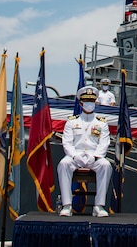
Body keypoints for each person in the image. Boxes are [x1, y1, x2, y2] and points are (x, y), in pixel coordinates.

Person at [57, 86, 112, 217]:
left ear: (95, 102)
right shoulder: (72, 122)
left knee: (106, 165)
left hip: (94, 157)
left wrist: (96, 156)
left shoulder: (102, 123)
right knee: (63, 164)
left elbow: (104, 143)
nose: (89, 104)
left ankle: (99, 206)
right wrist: (74, 155)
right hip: (76, 155)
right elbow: (67, 142)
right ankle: (67, 205)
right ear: (81, 103)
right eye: (86, 101)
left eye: (92, 101)